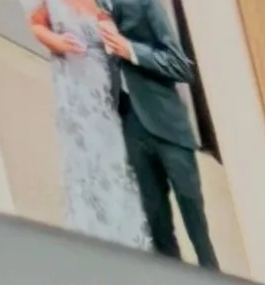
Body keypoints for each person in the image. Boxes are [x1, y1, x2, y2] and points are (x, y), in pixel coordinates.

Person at [94, 0, 220, 270]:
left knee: (193, 216)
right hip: (129, 123)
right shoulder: (93, 7)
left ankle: (215, 284)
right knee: (156, 219)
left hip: (168, 127)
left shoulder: (146, 4)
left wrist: (131, 51)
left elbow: (182, 66)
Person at [25, 0, 146, 249]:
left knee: (114, 152)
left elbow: (125, 29)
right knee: (83, 154)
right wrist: (57, 42)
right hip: (72, 85)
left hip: (105, 82)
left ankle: (122, 224)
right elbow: (37, 25)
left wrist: (113, 34)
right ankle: (90, 225)